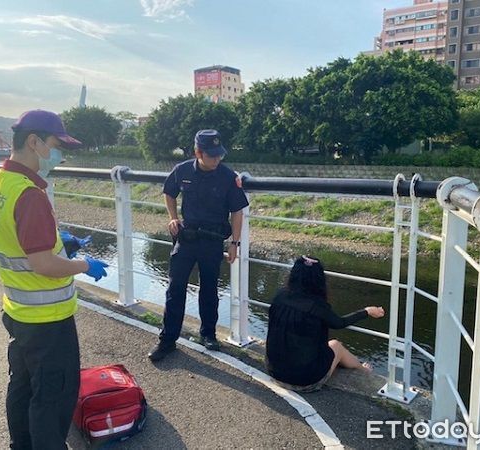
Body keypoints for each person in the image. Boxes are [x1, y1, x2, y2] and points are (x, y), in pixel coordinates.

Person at [0, 109, 109, 449]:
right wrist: (83, 265)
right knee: (52, 397)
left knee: (22, 387)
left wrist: (58, 241)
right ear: (34, 142)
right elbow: (42, 264)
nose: (60, 154)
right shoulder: (30, 195)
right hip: (48, 321)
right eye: (57, 144)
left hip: (17, 311)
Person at [148, 129, 249, 361]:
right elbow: (169, 192)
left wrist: (235, 242)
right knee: (175, 289)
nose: (217, 159)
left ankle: (208, 334)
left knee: (210, 289)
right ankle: (167, 340)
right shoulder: (182, 170)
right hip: (187, 238)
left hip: (213, 241)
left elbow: (237, 211)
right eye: (212, 155)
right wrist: (172, 217)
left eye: (219, 155)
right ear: (198, 152)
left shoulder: (227, 176)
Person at [265, 255, 385, 392]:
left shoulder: (280, 296)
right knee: (336, 345)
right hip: (305, 381)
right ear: (319, 279)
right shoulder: (317, 306)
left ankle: (360, 368)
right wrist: (366, 311)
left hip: (274, 372)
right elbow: (340, 323)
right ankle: (362, 369)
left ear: (293, 274)